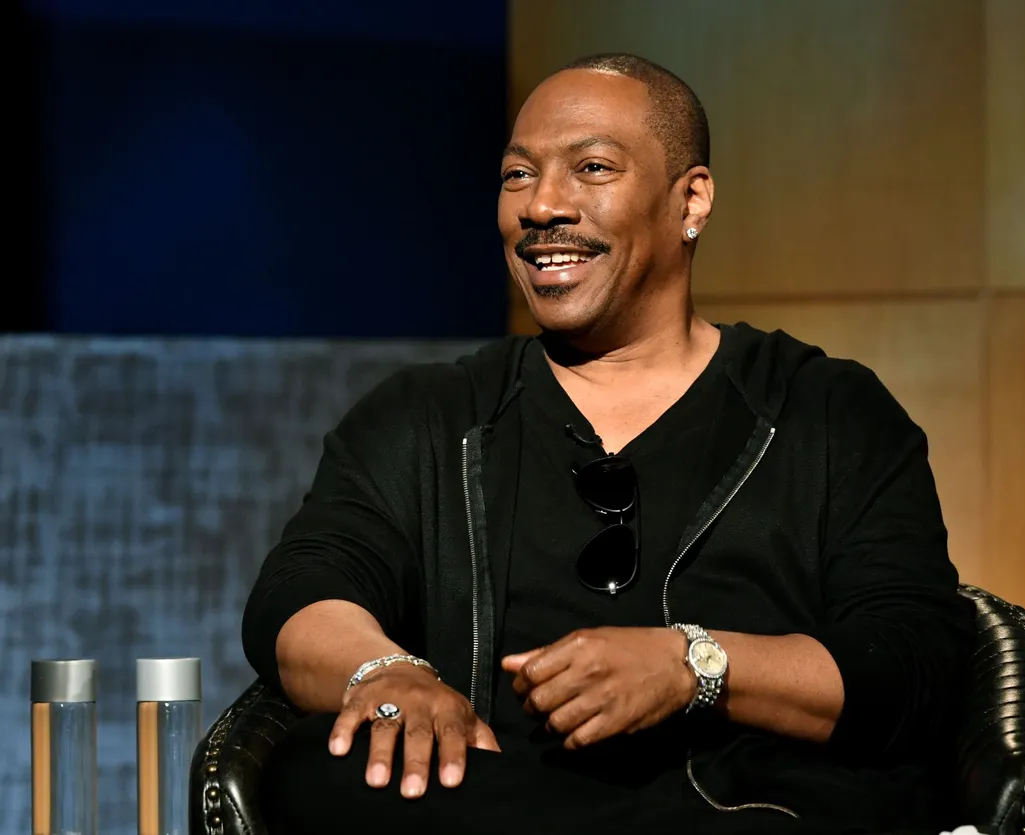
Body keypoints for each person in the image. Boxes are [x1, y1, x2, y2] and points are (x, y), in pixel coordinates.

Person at [243, 52, 976, 835]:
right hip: (500, 801)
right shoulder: (430, 415)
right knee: (313, 768)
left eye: (590, 168)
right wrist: (385, 671)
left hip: (758, 805)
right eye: (517, 176)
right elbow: (303, 589)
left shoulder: (826, 410)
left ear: (689, 200)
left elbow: (913, 662)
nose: (543, 206)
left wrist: (692, 666)